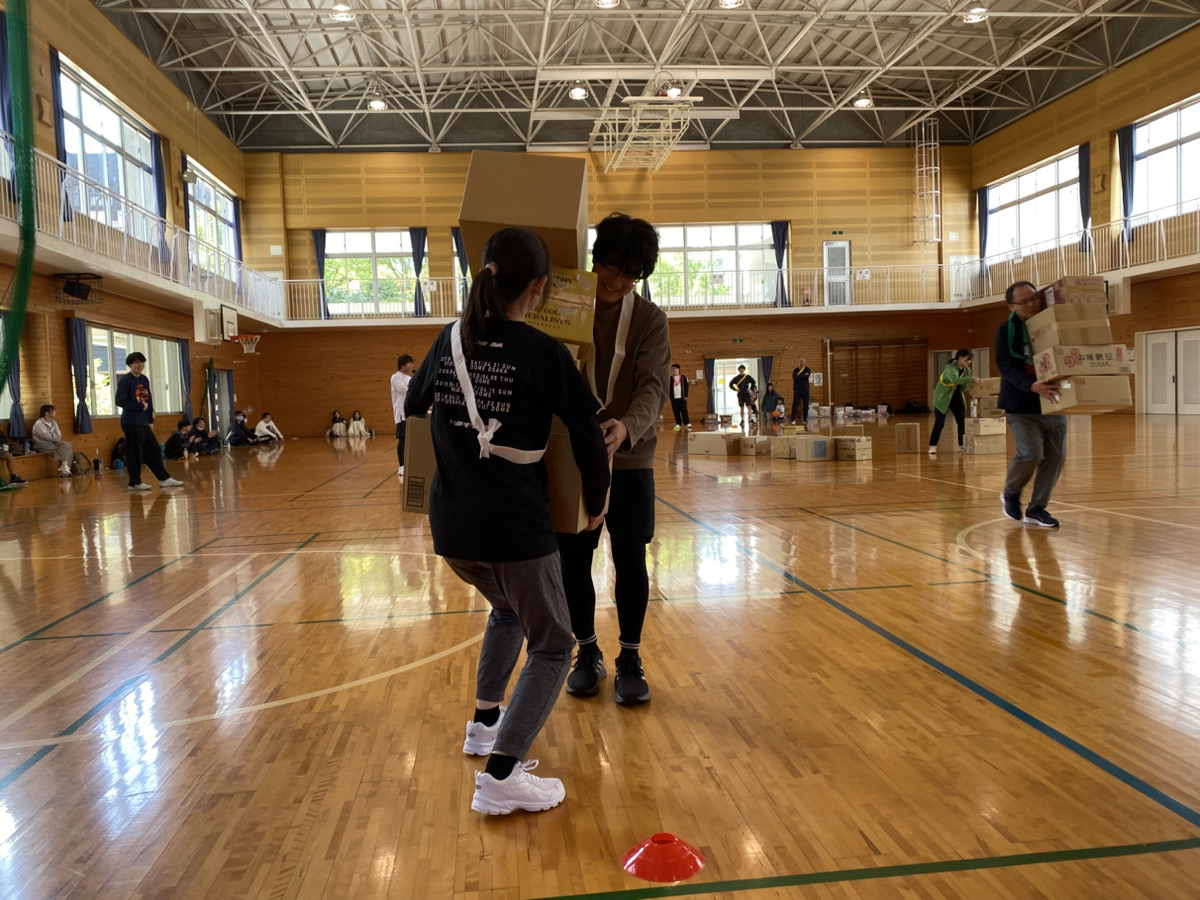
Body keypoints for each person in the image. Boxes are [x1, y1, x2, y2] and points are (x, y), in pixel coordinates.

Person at [405, 227, 610, 816]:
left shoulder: (448, 340)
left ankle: (485, 723)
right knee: (554, 645)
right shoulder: (544, 352)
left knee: (508, 610)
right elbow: (589, 433)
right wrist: (597, 500)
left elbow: (414, 409)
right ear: (540, 287)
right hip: (516, 531)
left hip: (452, 530)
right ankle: (501, 776)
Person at [558, 212, 670, 707]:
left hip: (630, 458)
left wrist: (626, 427)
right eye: (611, 267)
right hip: (573, 456)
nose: (618, 281)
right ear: (596, 257)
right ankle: (586, 652)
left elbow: (653, 386)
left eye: (630, 275)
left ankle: (629, 657)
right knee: (573, 560)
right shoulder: (567, 305)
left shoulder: (649, 319)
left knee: (630, 558)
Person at [996, 281, 1066, 527]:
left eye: (1034, 298)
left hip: (1053, 400)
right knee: (1032, 453)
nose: (1031, 305)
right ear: (1011, 306)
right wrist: (1030, 385)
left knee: (1056, 457)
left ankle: (1037, 508)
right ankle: (1011, 491)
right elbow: (1006, 366)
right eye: (1024, 302)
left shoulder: (1052, 323)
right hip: (1021, 403)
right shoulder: (1006, 331)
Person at [115, 352, 184, 491]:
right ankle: (134, 482)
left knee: (153, 449)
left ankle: (164, 479)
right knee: (135, 452)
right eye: (136, 363)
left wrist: (151, 419)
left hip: (143, 422)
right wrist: (139, 407)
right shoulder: (125, 380)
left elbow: (148, 400)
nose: (140, 365)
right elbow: (120, 401)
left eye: (142, 362)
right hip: (131, 422)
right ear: (130, 364)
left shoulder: (144, 379)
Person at [928, 349, 984, 455]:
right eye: (967, 359)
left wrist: (975, 389)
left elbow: (964, 387)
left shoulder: (967, 370)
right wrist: (970, 379)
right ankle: (932, 446)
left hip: (957, 396)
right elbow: (954, 380)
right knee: (940, 423)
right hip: (943, 398)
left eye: (970, 360)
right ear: (960, 357)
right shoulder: (949, 368)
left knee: (961, 421)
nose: (968, 362)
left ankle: (961, 445)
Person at [30, 405, 74, 477]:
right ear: (47, 413)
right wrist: (54, 436)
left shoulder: (54, 423)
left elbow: (59, 435)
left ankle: (64, 467)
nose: (55, 412)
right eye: (53, 411)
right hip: (42, 444)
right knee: (63, 450)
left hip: (53, 442)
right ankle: (64, 469)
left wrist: (52, 436)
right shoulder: (39, 423)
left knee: (67, 445)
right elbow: (45, 436)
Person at [392, 354, 415, 476]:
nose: (411, 365)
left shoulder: (410, 378)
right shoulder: (395, 377)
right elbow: (404, 389)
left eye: (412, 362)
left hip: (411, 413)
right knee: (403, 440)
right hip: (401, 414)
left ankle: (410, 464)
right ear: (402, 365)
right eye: (409, 363)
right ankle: (402, 466)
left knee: (411, 440)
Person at [669, 363, 690, 431]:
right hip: (674, 398)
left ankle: (687, 423)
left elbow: (686, 387)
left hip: (682, 397)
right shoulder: (670, 378)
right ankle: (678, 424)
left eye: (674, 369)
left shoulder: (684, 377)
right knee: (675, 411)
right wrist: (670, 396)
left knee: (684, 410)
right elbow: (668, 388)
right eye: (672, 369)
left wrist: (686, 395)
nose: (673, 370)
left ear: (678, 369)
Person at [791, 359, 812, 424]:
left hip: (805, 389)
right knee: (795, 404)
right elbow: (794, 378)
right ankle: (792, 419)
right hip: (797, 389)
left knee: (806, 404)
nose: (801, 363)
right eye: (800, 362)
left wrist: (799, 377)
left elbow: (806, 376)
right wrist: (802, 376)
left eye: (803, 362)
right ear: (798, 363)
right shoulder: (795, 370)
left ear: (805, 362)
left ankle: (805, 419)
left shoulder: (807, 369)